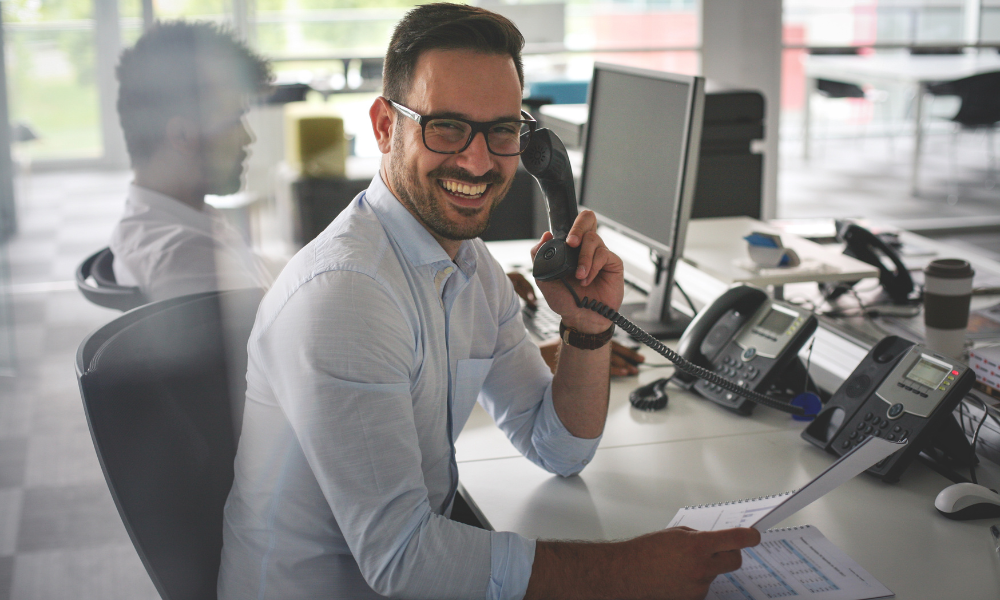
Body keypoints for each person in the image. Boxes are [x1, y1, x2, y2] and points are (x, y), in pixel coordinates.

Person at [218, 4, 759, 600]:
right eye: (445, 126)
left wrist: (584, 330)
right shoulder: (346, 295)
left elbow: (558, 447)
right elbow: (404, 561)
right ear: (383, 127)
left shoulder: (470, 269)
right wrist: (629, 572)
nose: (478, 161)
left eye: (502, 131)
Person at [108, 21, 274, 303]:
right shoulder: (186, 258)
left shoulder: (169, 217)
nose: (248, 138)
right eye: (234, 120)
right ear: (183, 135)